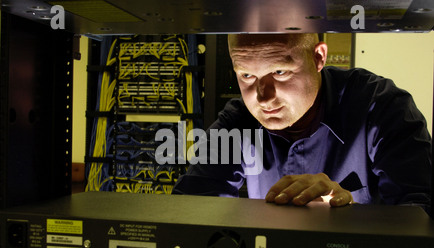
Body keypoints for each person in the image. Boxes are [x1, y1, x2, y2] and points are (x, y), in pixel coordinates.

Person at [172, 33, 432, 215]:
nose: (263, 96)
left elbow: (422, 215)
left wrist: (348, 213)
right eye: (247, 75)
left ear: (319, 57)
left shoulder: (382, 107)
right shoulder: (237, 121)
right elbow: (190, 209)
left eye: (280, 72)